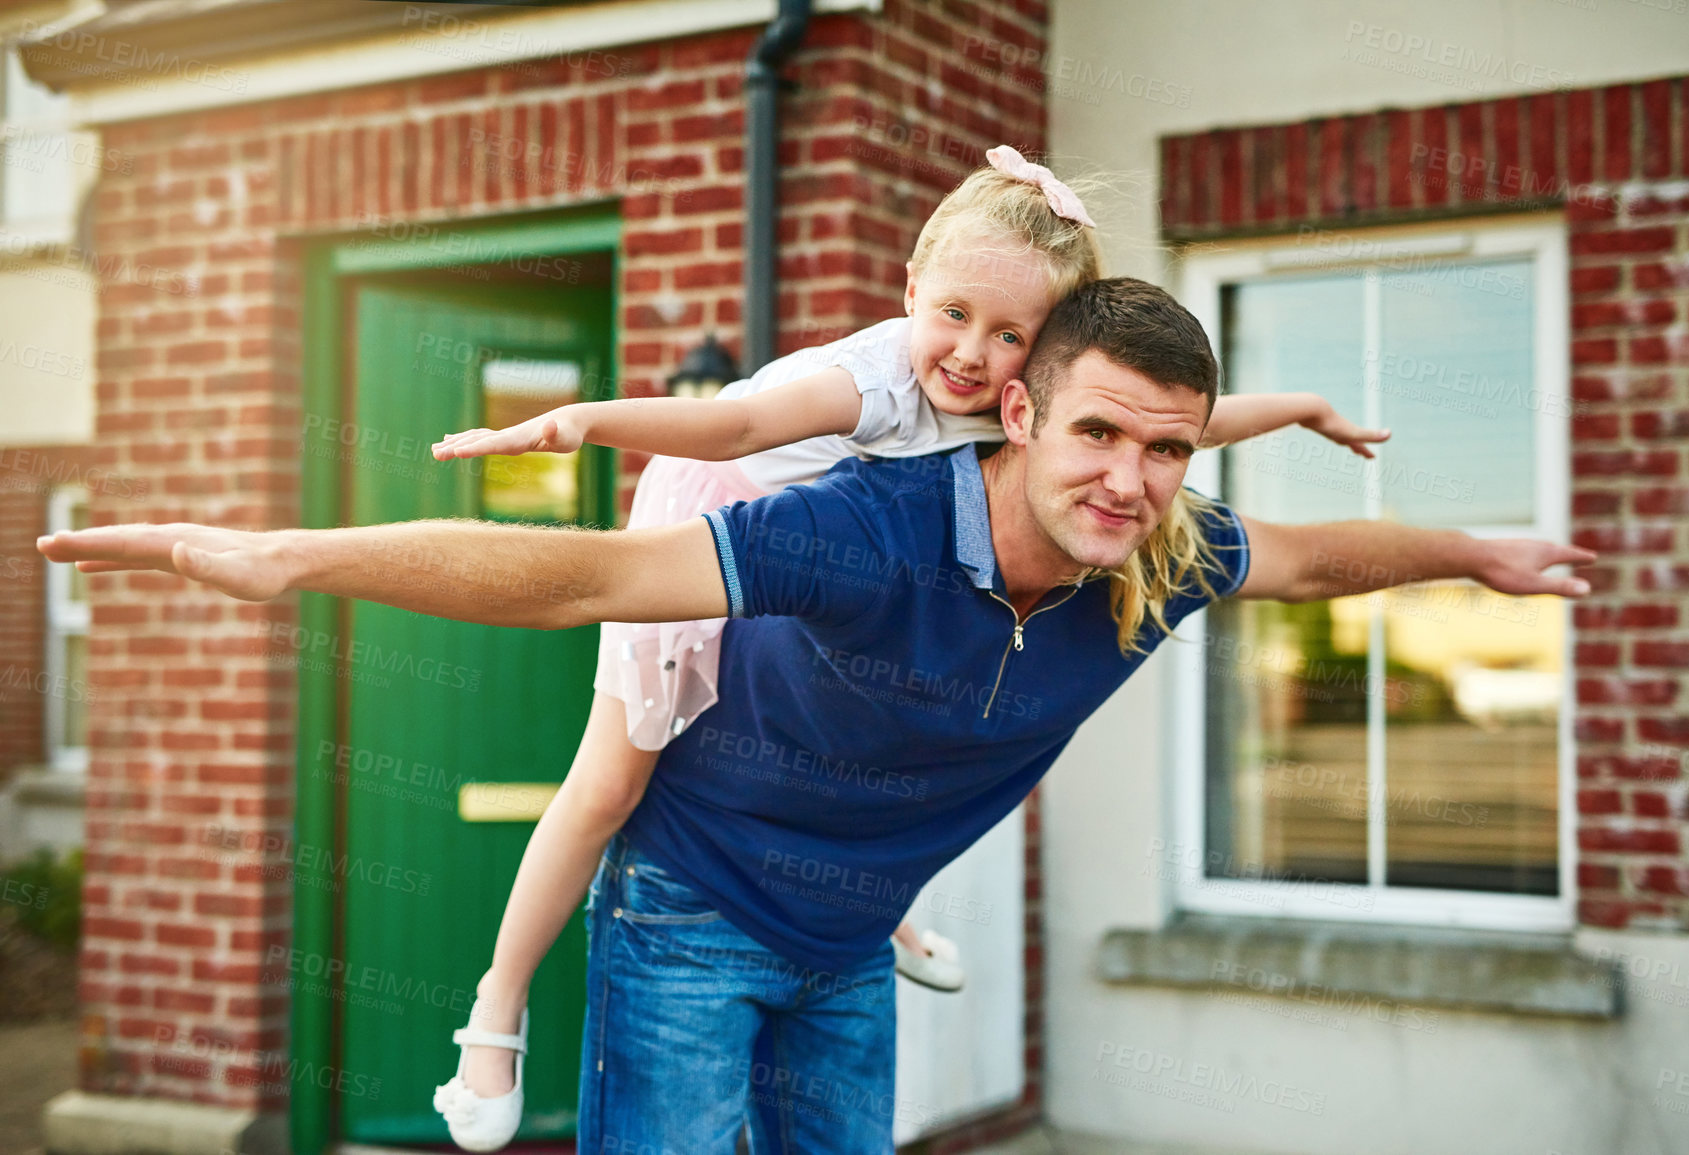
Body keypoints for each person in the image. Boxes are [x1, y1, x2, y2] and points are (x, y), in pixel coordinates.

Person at [36, 277, 1594, 1154]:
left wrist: (1475, 550)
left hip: (851, 941)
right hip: (691, 911)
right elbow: (585, 578)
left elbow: (1319, 559)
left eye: (1168, 447)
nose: (1129, 477)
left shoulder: (1166, 555)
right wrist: (285, 556)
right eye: (1100, 430)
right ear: (1020, 410)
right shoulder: (859, 528)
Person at [422, 147, 1389, 1150]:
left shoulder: (1014, 410)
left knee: (894, 718)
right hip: (714, 531)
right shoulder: (873, 384)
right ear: (911, 289)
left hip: (819, 566)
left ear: (1043, 359)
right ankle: (495, 1013)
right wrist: (585, 422)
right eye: (955, 315)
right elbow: (735, 424)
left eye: (1010, 334)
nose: (971, 354)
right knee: (611, 786)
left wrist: (1303, 410)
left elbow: (1184, 420)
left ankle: (872, 910)